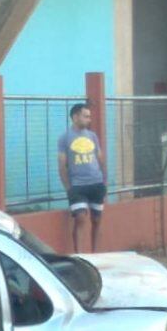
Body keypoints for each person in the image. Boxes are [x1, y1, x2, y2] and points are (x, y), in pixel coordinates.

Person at [58, 102, 107, 254]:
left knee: (97, 220)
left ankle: (95, 255)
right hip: (77, 186)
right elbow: (62, 165)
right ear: (75, 117)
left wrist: (104, 181)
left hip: (96, 183)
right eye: (86, 116)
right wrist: (68, 188)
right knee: (80, 218)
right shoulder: (65, 138)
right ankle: (80, 256)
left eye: (89, 117)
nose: (89, 120)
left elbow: (100, 158)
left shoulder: (92, 136)